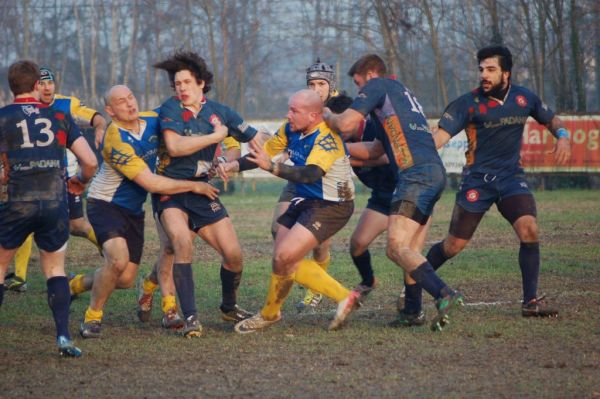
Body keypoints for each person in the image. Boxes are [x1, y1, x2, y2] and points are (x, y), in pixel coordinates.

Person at [405, 45, 570, 319]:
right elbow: (439, 138)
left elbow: (551, 119)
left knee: (529, 230)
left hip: (511, 179)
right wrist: (413, 156)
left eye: (491, 69)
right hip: (476, 182)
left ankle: (530, 302)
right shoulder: (466, 103)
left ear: (506, 73)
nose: (484, 74)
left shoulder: (524, 97)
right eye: (481, 69)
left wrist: (562, 135)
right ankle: (412, 282)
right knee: (453, 246)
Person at [324, 54, 463, 331]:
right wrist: (340, 153)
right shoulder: (403, 94)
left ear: (371, 75)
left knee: (396, 247)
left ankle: (445, 293)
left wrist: (327, 116)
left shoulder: (378, 86)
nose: (360, 90)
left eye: (358, 83)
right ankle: (412, 311)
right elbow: (376, 150)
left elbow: (345, 125)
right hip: (432, 172)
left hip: (414, 175)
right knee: (409, 249)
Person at [76, 85, 220, 338]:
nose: (130, 104)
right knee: (117, 260)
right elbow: (151, 183)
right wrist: (195, 186)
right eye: (121, 102)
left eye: (131, 97)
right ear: (110, 111)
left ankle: (76, 284)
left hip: (133, 210)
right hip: (105, 204)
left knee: (125, 279)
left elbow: (179, 109)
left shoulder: (152, 120)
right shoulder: (115, 139)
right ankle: (92, 317)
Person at [230, 89, 359, 333]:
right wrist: (232, 165)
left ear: (313, 116)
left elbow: (311, 174)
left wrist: (274, 168)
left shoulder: (326, 138)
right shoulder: (291, 128)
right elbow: (264, 153)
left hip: (332, 205)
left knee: (285, 258)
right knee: (281, 260)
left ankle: (343, 296)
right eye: (289, 109)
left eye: (294, 111)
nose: (288, 115)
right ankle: (271, 313)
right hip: (306, 198)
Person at [153, 51, 258, 338]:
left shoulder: (221, 112)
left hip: (203, 189)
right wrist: (216, 137)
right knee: (181, 243)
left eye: (187, 82)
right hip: (171, 189)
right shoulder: (171, 109)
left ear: (201, 84)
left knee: (234, 255)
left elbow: (256, 141)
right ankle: (190, 318)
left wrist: (230, 161)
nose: (182, 88)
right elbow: (174, 147)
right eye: (177, 84)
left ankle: (228, 306)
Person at [0, 60, 98, 356]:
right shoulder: (59, 114)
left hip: (17, 202)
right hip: (55, 202)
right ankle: (63, 337)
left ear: (11, 86)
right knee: (55, 269)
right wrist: (80, 181)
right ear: (35, 85)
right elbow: (90, 162)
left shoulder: (3, 117)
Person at [3, 67, 106, 293]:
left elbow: (97, 117)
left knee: (75, 224)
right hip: (37, 178)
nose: (48, 87)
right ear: (36, 86)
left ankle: (106, 248)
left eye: (51, 83)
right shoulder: (24, 110)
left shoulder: (66, 105)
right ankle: (20, 276)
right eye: (43, 83)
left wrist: (99, 128)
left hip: (64, 176)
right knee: (31, 225)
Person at [136, 136, 242, 329]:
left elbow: (234, 148)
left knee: (230, 253)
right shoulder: (168, 116)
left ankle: (149, 284)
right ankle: (170, 309)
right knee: (172, 247)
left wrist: (223, 162)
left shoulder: (215, 118)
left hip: (201, 191)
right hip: (168, 188)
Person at [273, 59, 339, 312]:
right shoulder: (302, 106)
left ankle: (316, 289)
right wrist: (285, 151)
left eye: (321, 83)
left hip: (326, 183)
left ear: (331, 86)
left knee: (320, 243)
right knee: (276, 228)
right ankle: (283, 285)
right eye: (312, 83)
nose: (316, 88)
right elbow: (292, 132)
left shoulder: (339, 111)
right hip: (299, 177)